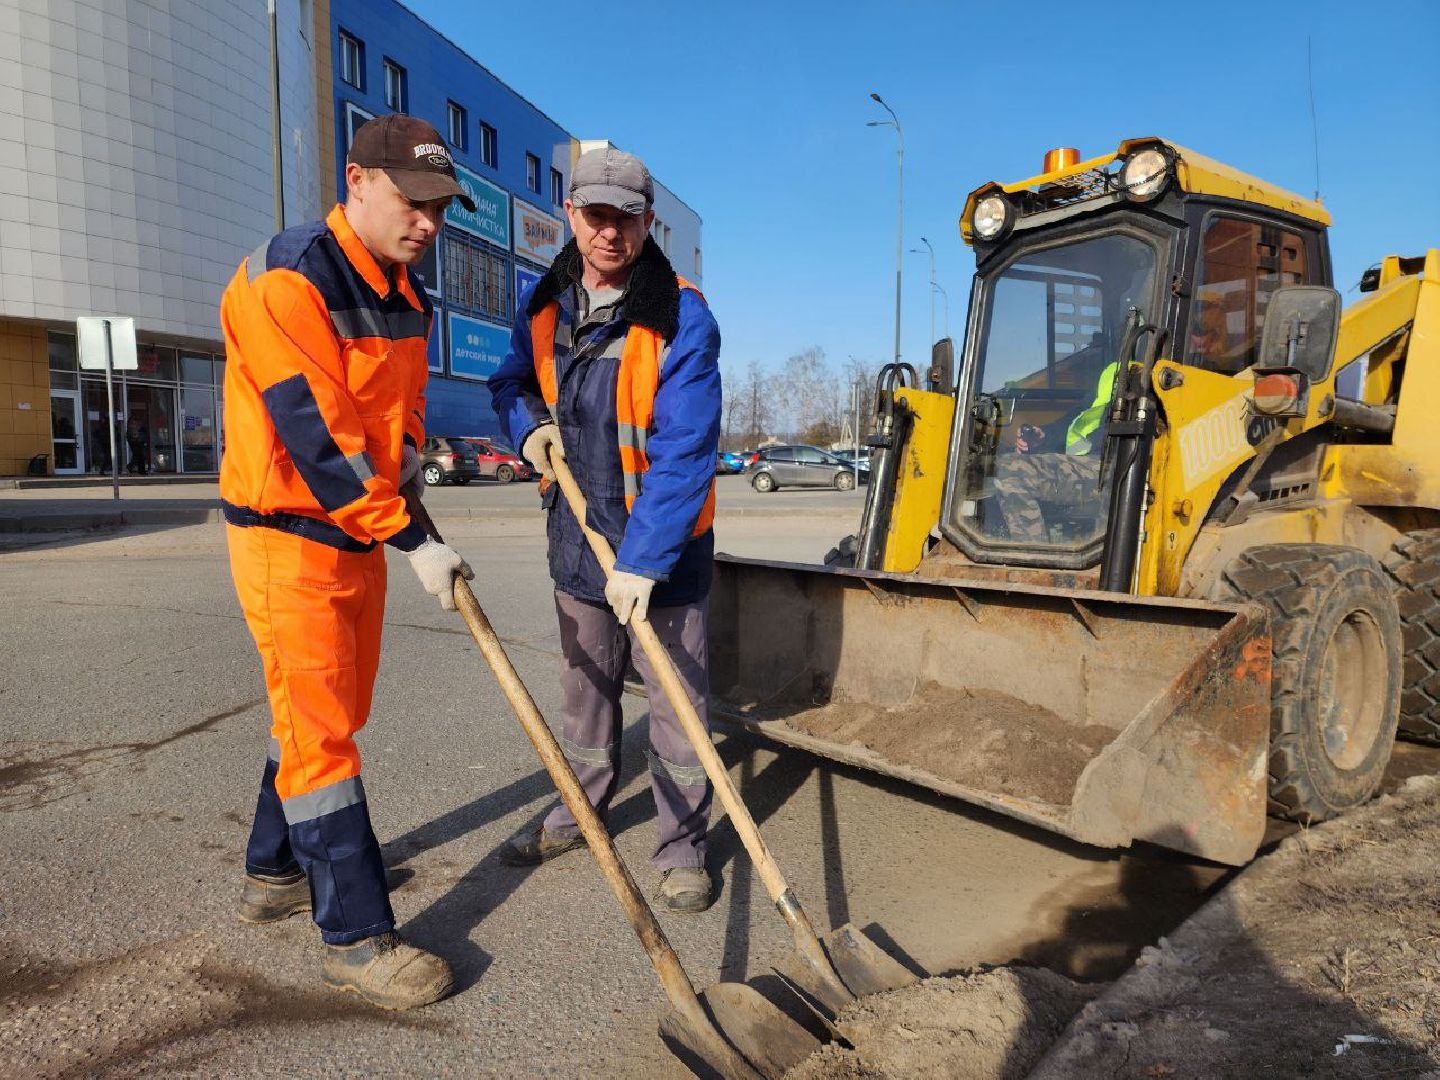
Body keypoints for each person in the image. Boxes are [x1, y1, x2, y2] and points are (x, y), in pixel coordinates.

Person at [219, 114, 475, 1009]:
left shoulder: (406, 296)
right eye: (415, 204)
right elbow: (320, 442)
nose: (429, 227)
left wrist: (412, 493)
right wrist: (410, 536)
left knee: (326, 708)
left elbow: (392, 427)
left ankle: (273, 873)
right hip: (287, 534)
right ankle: (356, 937)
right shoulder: (286, 280)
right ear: (357, 181)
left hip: (356, 533)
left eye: (441, 211)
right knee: (321, 732)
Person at [488, 147, 723, 914]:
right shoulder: (546, 300)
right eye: (596, 215)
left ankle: (683, 845)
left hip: (665, 556)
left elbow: (685, 450)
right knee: (586, 700)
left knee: (676, 708)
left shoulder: (682, 313)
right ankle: (576, 810)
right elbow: (511, 381)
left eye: (627, 218)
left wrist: (644, 561)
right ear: (571, 213)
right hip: (578, 542)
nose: (611, 233)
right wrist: (528, 428)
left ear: (648, 221)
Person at [993, 355, 1117, 544]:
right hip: (1090, 465)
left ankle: (1034, 556)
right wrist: (1044, 436)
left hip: (1116, 465)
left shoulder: (1161, 378)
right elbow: (1075, 419)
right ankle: (1032, 556)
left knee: (1013, 470)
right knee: (1012, 467)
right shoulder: (1114, 373)